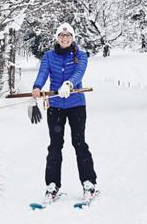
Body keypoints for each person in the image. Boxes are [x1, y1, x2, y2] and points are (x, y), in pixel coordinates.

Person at [31, 22, 98, 202]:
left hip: (76, 105)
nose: (65, 38)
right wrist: (37, 87)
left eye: (68, 36)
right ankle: (52, 186)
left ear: (73, 38)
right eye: (61, 35)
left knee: (79, 143)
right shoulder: (48, 56)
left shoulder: (80, 56)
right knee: (55, 146)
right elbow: (43, 73)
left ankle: (88, 182)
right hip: (55, 107)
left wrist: (69, 84)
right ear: (57, 38)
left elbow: (79, 73)